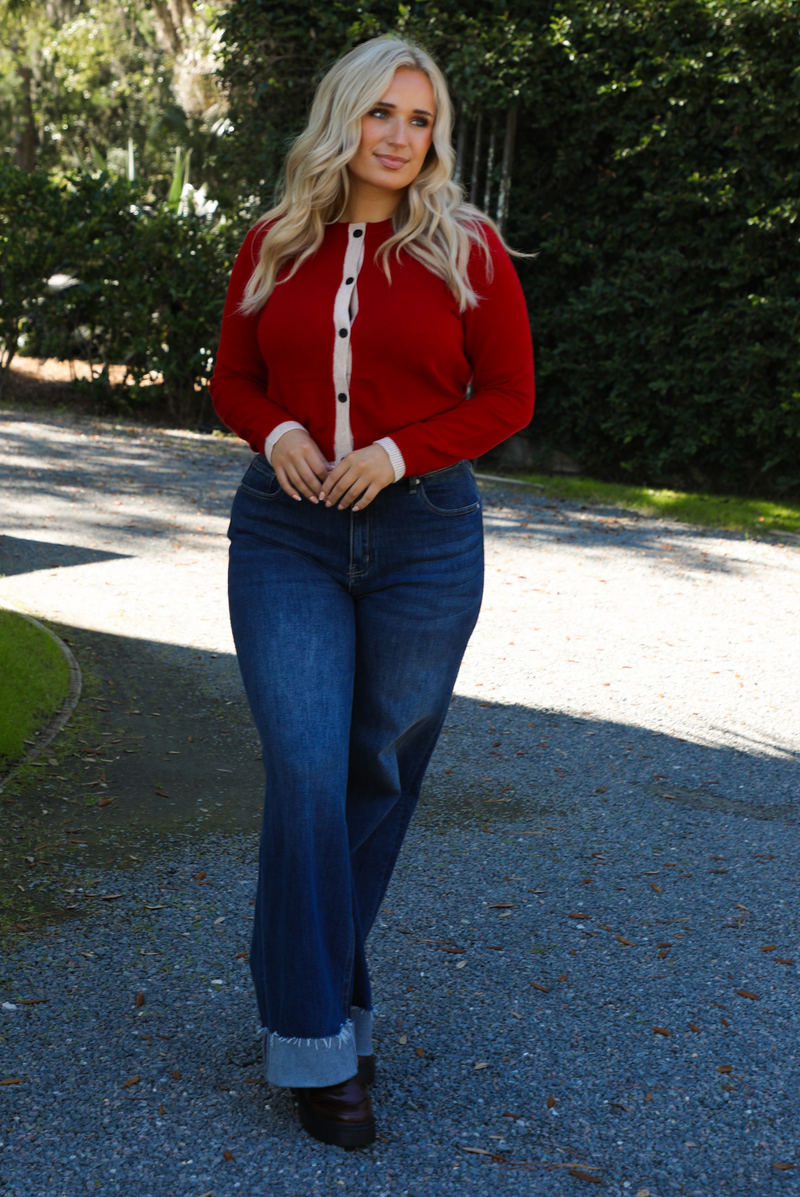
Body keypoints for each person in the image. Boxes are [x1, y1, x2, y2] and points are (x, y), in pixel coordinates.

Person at [209, 34, 534, 1149]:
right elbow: (233, 377)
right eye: (380, 114)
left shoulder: (468, 252)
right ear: (339, 120)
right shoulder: (275, 242)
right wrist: (281, 428)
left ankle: (306, 972)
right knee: (304, 765)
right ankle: (314, 1037)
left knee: (375, 766)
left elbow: (507, 396)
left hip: (424, 538)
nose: (399, 137)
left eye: (420, 119)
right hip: (286, 534)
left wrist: (396, 456)